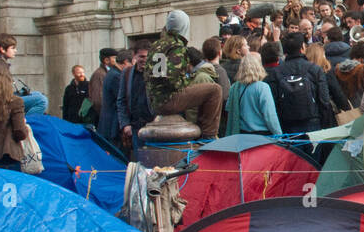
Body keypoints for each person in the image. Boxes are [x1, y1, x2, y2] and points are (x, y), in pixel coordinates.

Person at [145, 10, 224, 139]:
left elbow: (156, 75)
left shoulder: (156, 45)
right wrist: (190, 79)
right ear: (184, 27)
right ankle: (209, 136)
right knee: (215, 90)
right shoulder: (177, 47)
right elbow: (172, 81)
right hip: (168, 100)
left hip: (155, 101)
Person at [267, 31, 331, 138]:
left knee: (293, 154)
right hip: (312, 120)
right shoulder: (315, 69)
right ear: (302, 47)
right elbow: (324, 100)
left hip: (287, 123)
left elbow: (273, 101)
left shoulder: (275, 72)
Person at [225, 53, 282, 137]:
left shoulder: (235, 87)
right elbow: (270, 115)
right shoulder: (262, 87)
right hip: (262, 135)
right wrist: (279, 134)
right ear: (258, 67)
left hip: (241, 134)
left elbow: (228, 108)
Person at [116, 42, 153, 153]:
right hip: (136, 128)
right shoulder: (126, 73)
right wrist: (125, 124)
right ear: (135, 56)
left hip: (153, 126)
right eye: (141, 56)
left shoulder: (156, 73)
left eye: (148, 56)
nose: (145, 59)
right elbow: (121, 100)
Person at [306, 43, 350, 127]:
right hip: (326, 113)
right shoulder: (326, 71)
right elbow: (336, 91)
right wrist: (346, 107)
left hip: (310, 112)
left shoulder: (305, 71)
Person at [99, 49, 132, 144]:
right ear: (126, 62)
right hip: (113, 126)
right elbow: (122, 100)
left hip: (110, 125)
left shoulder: (112, 73)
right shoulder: (116, 76)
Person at [89, 48, 118, 123]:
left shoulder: (109, 72)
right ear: (106, 60)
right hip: (104, 118)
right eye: (114, 58)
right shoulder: (99, 74)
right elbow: (98, 100)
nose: (117, 60)